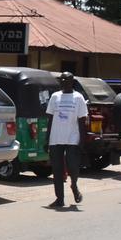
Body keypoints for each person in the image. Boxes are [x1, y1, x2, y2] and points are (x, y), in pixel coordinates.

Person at [45, 72, 88, 209]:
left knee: (72, 166)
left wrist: (82, 140)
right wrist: (47, 139)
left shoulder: (78, 97)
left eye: (65, 79)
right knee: (56, 170)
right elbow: (50, 119)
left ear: (72, 81)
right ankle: (59, 199)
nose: (62, 81)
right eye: (61, 79)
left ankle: (74, 185)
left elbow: (82, 121)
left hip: (72, 138)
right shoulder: (55, 96)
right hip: (56, 138)